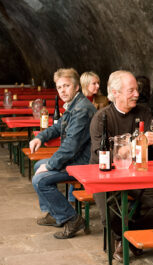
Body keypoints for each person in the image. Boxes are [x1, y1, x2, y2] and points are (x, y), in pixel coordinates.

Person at [90, 70, 153, 262]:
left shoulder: (143, 112)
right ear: (115, 92)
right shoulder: (101, 118)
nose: (137, 94)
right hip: (104, 177)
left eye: (137, 89)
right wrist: (135, 144)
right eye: (131, 90)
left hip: (135, 175)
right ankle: (126, 238)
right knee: (108, 216)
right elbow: (101, 154)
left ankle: (128, 238)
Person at [30, 68, 96, 239]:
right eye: (59, 87)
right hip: (76, 158)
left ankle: (72, 219)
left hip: (84, 162)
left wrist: (50, 165)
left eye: (66, 86)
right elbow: (59, 127)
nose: (62, 91)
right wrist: (41, 137)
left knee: (40, 179)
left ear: (76, 87)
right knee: (38, 165)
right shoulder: (74, 105)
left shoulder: (82, 109)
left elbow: (70, 146)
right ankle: (54, 213)